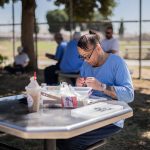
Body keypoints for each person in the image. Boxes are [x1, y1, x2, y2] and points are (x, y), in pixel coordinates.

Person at [57, 30, 134, 150]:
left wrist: (102, 87)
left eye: (87, 56)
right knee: (60, 135)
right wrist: (79, 86)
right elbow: (83, 92)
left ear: (98, 48)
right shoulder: (85, 65)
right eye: (82, 57)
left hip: (110, 118)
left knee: (70, 143)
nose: (85, 60)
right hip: (87, 112)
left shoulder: (117, 63)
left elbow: (129, 95)